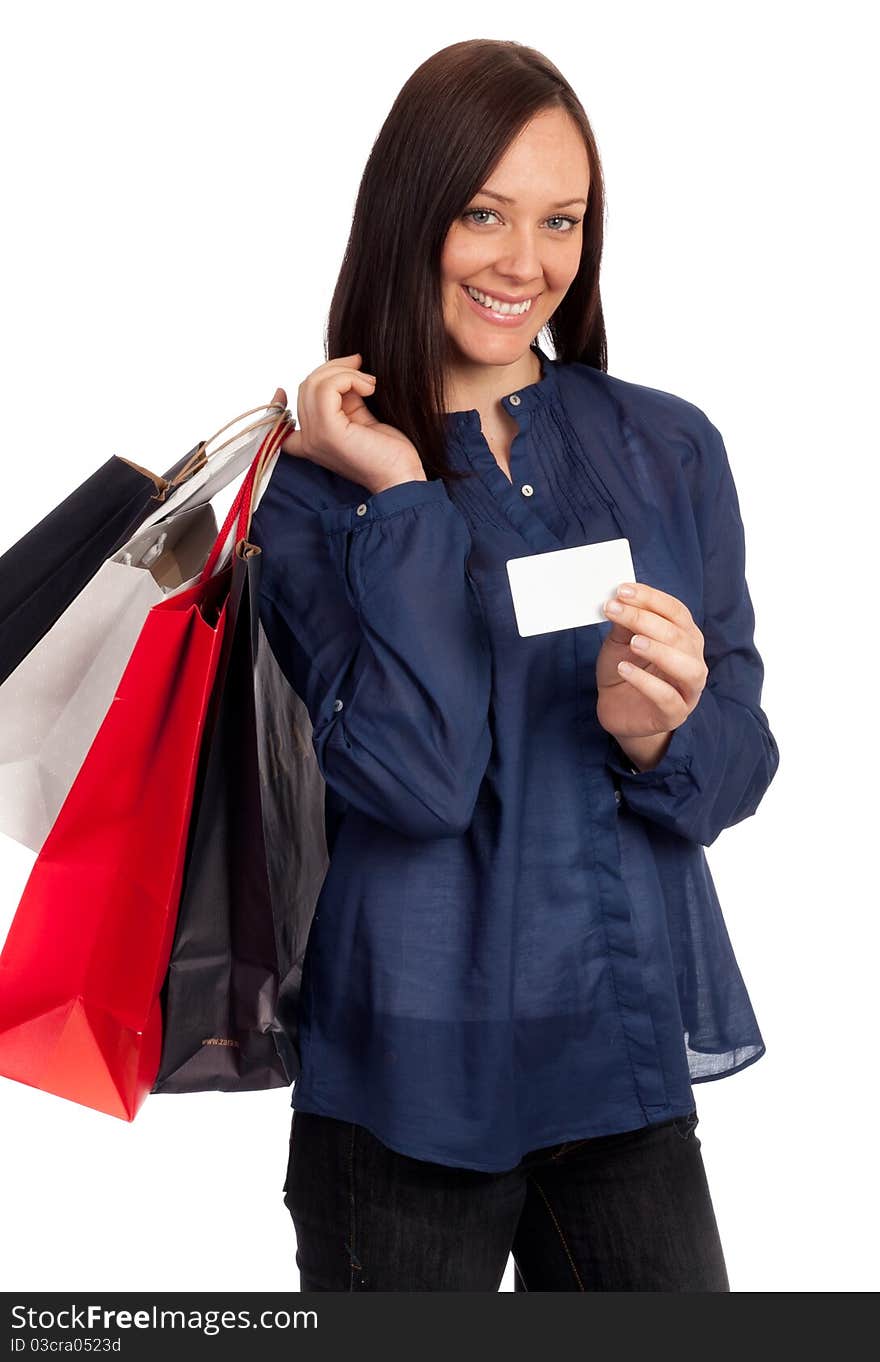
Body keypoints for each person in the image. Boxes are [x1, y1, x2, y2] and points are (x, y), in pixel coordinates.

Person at [249, 38, 780, 1292]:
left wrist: (656, 729)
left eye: (561, 221)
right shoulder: (313, 496)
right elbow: (418, 783)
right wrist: (399, 490)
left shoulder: (666, 446)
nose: (524, 264)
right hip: (406, 1081)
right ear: (409, 214)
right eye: (483, 213)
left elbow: (739, 761)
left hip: (619, 1051)